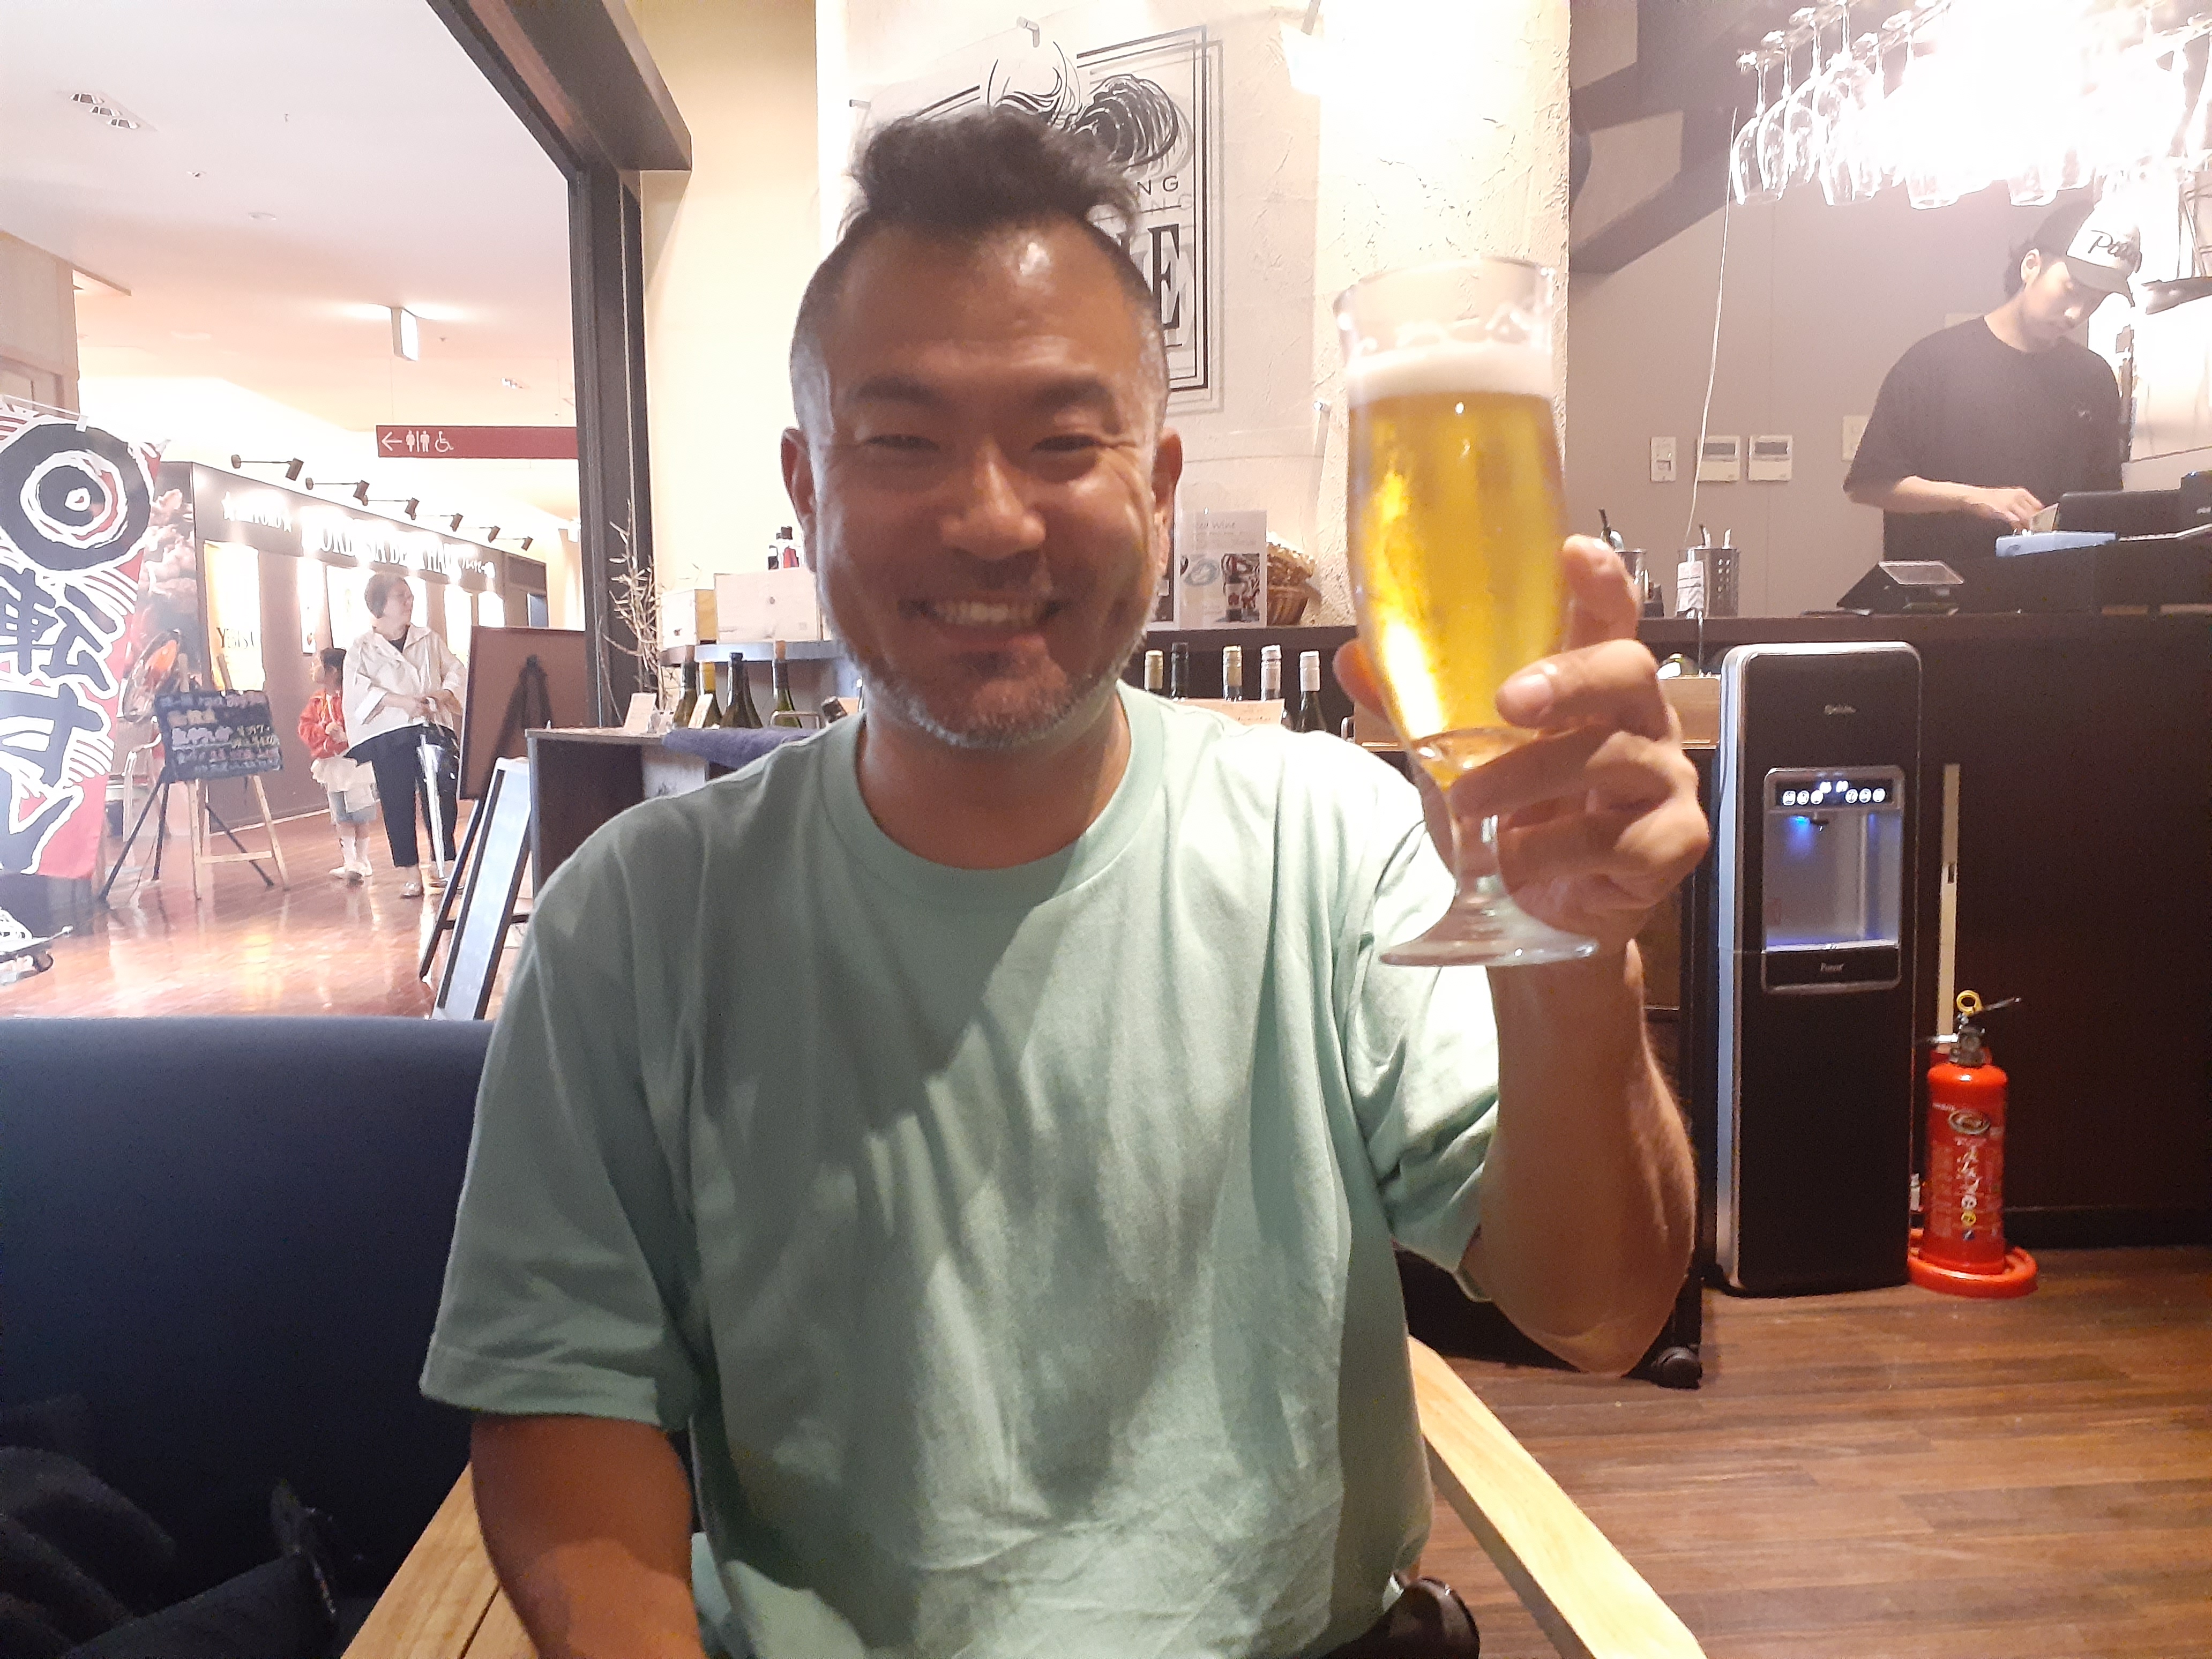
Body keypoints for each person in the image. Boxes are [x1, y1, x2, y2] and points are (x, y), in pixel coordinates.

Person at [422, 108, 1706, 1659]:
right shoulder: (637, 919)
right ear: (806, 488)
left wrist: (1571, 950)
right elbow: (561, 1403)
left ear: (1157, 487)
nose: (989, 518)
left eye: (1061, 441)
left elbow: (1596, 1310)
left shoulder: (1332, 841)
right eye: (903, 441)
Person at [1844, 197, 2137, 584]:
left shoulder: (2093, 377)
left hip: (2055, 600)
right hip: (1941, 603)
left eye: (2095, 301)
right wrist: (1975, 498)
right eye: (2071, 290)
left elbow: (2104, 504)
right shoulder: (1934, 362)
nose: (2076, 313)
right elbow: (1869, 485)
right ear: (2031, 265)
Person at [342, 572, 463, 899]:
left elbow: (456, 671)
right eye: (401, 596)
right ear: (380, 604)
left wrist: (441, 694)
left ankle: (444, 864)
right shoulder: (361, 648)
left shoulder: (429, 638)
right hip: (389, 734)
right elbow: (358, 693)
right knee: (397, 802)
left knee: (442, 796)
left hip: (432, 726)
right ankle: (410, 872)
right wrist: (402, 702)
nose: (410, 601)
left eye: (410, 595)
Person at [298, 646, 376, 884]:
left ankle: (363, 860)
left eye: (316, 663)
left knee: (360, 813)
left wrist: (348, 737)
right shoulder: (317, 701)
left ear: (332, 671)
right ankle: (349, 861)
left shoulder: (352, 699)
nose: (312, 668)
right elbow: (305, 728)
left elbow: (367, 724)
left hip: (354, 763)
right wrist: (324, 730)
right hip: (332, 765)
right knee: (341, 814)